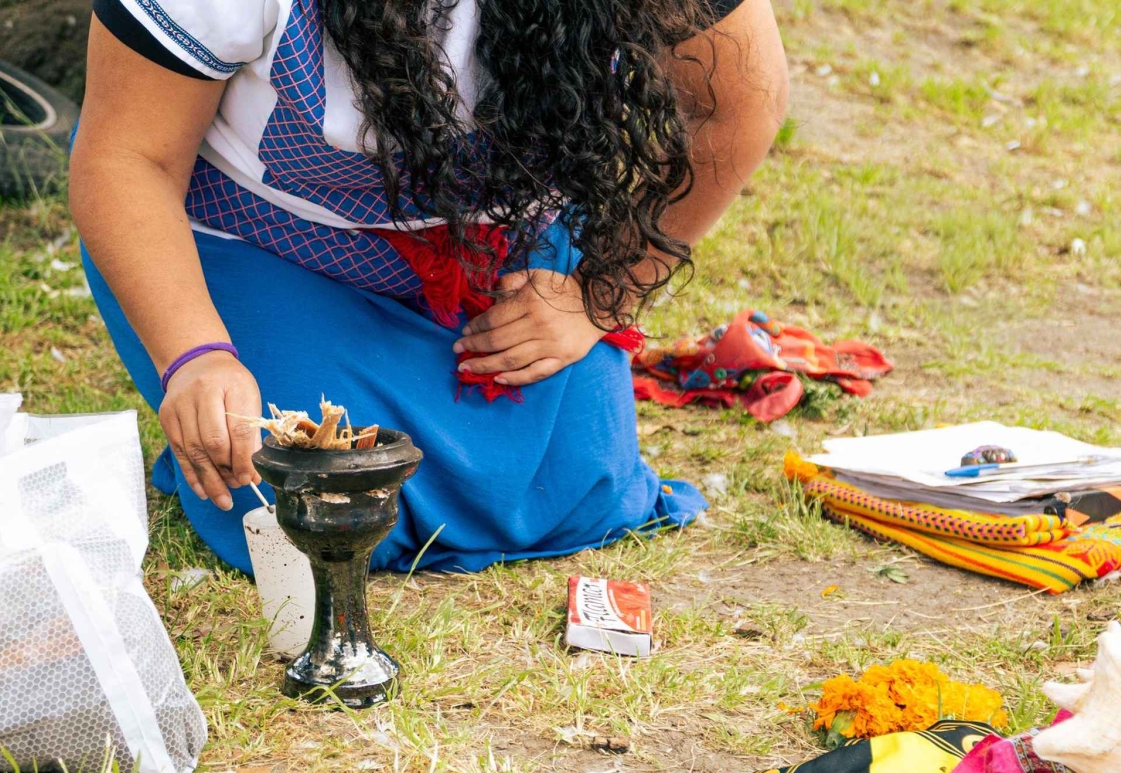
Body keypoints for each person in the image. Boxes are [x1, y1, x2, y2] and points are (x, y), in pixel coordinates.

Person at [70, 0, 789, 573]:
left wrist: (597, 295)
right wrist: (196, 356)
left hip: (498, 249)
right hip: (262, 246)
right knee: (313, 508)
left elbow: (741, 105)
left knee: (571, 494)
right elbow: (127, 157)